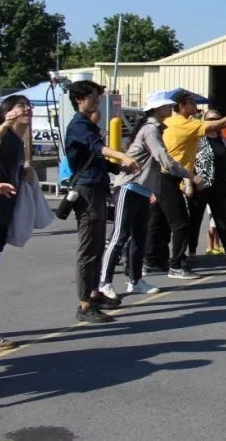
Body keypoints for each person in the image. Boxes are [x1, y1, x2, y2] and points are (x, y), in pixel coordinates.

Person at [146, 91, 226, 279]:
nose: (195, 105)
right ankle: (176, 265)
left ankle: (153, 261)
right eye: (191, 103)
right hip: (167, 176)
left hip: (168, 176)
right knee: (180, 223)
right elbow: (222, 124)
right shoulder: (185, 124)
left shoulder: (169, 123)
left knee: (160, 222)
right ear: (182, 106)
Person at [101, 90, 195, 302]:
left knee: (139, 238)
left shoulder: (156, 128)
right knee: (119, 236)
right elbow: (163, 157)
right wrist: (188, 174)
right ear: (158, 109)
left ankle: (135, 281)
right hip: (129, 186)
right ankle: (104, 282)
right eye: (168, 106)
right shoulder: (151, 129)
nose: (171, 109)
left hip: (142, 189)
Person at [64, 80, 139, 323]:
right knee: (88, 248)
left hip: (95, 187)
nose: (97, 101)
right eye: (93, 97)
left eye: (98, 97)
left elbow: (95, 158)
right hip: (86, 191)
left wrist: (117, 166)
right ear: (80, 100)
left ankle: (94, 293)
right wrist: (122, 155)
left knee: (97, 245)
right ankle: (84, 304)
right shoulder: (79, 125)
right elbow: (96, 149)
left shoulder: (88, 124)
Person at [0, 94, 35, 347]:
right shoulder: (5, 136)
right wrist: (4, 124)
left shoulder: (17, 141)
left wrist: (25, 171)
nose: (27, 109)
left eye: (27, 105)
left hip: (3, 213)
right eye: (20, 105)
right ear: (7, 111)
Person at [193, 109, 226, 262]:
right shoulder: (197, 139)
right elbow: (189, 162)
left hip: (220, 186)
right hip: (201, 186)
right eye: (211, 119)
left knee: (222, 220)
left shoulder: (224, 141)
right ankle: (191, 253)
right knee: (195, 219)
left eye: (218, 119)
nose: (215, 122)